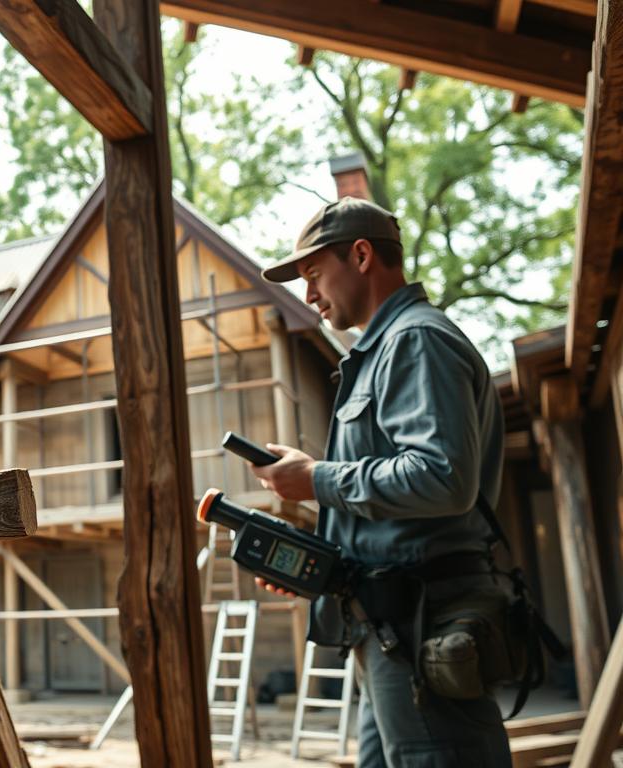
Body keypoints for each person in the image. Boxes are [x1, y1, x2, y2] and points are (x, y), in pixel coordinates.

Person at [249, 197, 511, 767]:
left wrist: (316, 478)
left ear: (362, 255)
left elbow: (441, 478)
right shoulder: (384, 350)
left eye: (314, 274)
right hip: (391, 632)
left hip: (422, 628)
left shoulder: (415, 340)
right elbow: (392, 501)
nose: (309, 295)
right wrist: (318, 561)